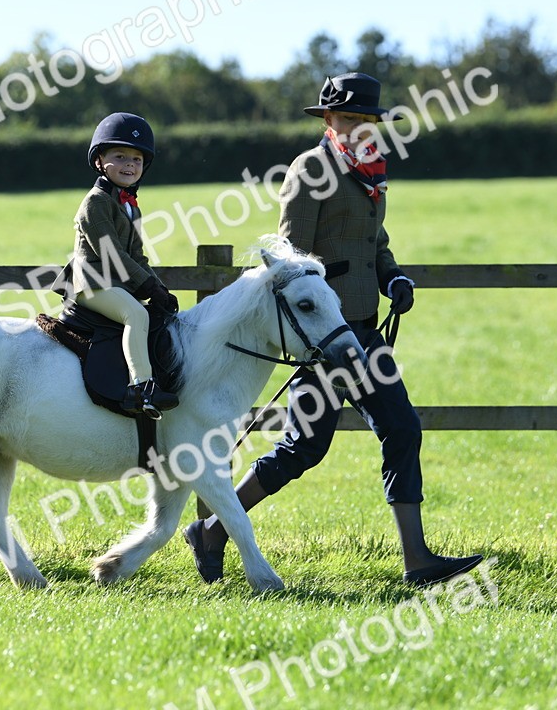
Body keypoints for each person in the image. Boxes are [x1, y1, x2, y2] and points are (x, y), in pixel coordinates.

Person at [183, 73, 482, 587]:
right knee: (304, 448)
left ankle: (416, 560)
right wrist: (317, 319)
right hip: (322, 338)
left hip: (363, 331)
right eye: (348, 118)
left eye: (366, 120)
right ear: (328, 119)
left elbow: (374, 242)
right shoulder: (310, 170)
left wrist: (394, 277)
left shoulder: (371, 170)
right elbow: (291, 259)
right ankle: (210, 531)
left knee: (400, 428)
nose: (358, 127)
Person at [53, 112, 180, 419]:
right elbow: (111, 255)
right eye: (120, 156)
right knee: (135, 314)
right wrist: (145, 286)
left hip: (116, 282)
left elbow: (137, 256)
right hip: (92, 283)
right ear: (100, 161)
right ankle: (141, 387)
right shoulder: (95, 202)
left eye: (136, 159)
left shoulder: (130, 206)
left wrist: (158, 287)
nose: (129, 165)